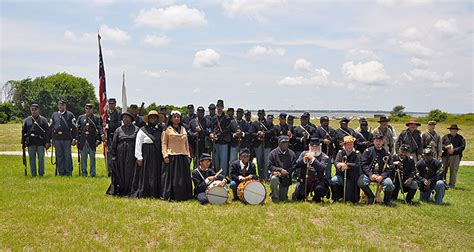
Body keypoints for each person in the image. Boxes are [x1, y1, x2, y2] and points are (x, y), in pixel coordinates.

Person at [130, 110, 164, 198]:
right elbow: (138, 143)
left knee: (155, 174)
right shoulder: (142, 130)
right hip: (146, 155)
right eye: (151, 117)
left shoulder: (159, 130)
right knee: (145, 174)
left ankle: (154, 193)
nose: (153, 119)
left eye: (155, 117)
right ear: (148, 119)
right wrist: (139, 156)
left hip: (156, 155)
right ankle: (144, 192)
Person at [161, 111, 193, 201]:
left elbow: (186, 143)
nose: (176, 119)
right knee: (173, 179)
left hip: (183, 156)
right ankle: (173, 196)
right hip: (172, 156)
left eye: (178, 117)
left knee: (183, 178)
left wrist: (188, 154)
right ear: (171, 118)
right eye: (174, 117)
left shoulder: (183, 129)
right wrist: (165, 155)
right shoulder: (167, 130)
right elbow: (164, 144)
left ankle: (184, 195)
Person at [106, 112, 139, 196]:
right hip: (120, 153)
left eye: (127, 117)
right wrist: (113, 155)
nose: (125, 119)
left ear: (131, 119)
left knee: (130, 171)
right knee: (121, 171)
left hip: (132, 154)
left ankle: (130, 189)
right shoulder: (118, 130)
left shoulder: (137, 129)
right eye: (124, 118)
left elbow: (138, 143)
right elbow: (114, 143)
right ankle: (121, 189)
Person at [358, 133, 395, 206]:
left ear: (382, 142)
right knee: (361, 182)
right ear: (374, 141)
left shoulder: (386, 153)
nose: (378, 142)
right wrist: (370, 175)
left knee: (389, 184)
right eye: (376, 141)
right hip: (369, 174)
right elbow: (364, 164)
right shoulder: (368, 151)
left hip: (381, 175)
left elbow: (390, 167)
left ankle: (386, 201)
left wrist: (382, 176)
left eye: (380, 141)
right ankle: (371, 197)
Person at [292, 138, 329, 202]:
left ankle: (316, 197)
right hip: (304, 180)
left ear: (320, 147)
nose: (314, 148)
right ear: (309, 147)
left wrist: (312, 159)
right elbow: (296, 165)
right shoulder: (304, 153)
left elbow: (321, 168)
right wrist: (304, 160)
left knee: (320, 190)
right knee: (298, 197)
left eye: (316, 147)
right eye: (312, 147)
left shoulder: (324, 156)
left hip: (317, 181)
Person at [21, 104, 51, 177]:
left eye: (35, 109)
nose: (34, 111)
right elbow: (23, 132)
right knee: (32, 159)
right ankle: (33, 174)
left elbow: (47, 132)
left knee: (41, 159)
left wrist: (47, 142)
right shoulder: (26, 120)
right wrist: (23, 142)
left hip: (40, 142)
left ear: (38, 110)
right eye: (32, 110)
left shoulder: (43, 120)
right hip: (30, 142)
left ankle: (41, 174)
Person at [330, 136, 361, 203]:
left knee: (350, 199)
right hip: (341, 176)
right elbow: (336, 161)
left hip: (352, 178)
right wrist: (338, 164)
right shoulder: (340, 152)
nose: (350, 146)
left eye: (351, 144)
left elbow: (357, 165)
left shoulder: (357, 153)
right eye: (348, 145)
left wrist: (347, 165)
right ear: (344, 145)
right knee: (333, 180)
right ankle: (336, 198)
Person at [50, 100, 77, 176]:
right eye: (59, 105)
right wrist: (51, 139)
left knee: (67, 156)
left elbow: (74, 127)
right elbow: (51, 127)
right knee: (59, 156)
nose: (60, 106)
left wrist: (74, 138)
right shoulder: (54, 115)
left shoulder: (70, 115)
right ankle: (61, 172)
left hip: (67, 138)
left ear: (65, 106)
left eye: (62, 105)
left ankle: (68, 172)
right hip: (57, 139)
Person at [76, 104, 103, 177]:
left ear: (92, 110)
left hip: (92, 140)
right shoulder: (81, 117)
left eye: (90, 109)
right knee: (83, 158)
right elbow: (77, 129)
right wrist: (77, 139)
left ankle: (92, 173)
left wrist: (98, 139)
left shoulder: (96, 118)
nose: (88, 110)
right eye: (87, 109)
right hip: (83, 140)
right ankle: (84, 173)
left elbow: (99, 128)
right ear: (85, 109)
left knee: (92, 158)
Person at [268, 136, 296, 202]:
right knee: (274, 179)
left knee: (283, 198)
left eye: (286, 142)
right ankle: (274, 198)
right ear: (279, 143)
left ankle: (277, 194)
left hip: (286, 176)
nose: (285, 144)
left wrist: (286, 172)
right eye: (282, 143)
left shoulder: (292, 154)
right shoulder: (272, 153)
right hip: (276, 174)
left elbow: (294, 166)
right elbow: (270, 166)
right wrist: (280, 170)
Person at [249, 109, 274, 180]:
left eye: (262, 114)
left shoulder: (268, 123)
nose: (261, 115)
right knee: (259, 161)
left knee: (266, 161)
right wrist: (257, 134)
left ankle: (266, 176)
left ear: (264, 114)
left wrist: (264, 134)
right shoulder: (255, 123)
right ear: (258, 115)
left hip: (267, 145)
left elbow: (273, 131)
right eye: (259, 114)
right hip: (258, 145)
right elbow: (251, 133)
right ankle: (260, 176)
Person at [209, 100, 232, 176]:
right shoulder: (214, 118)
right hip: (216, 142)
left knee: (223, 161)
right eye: (218, 106)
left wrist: (217, 136)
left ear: (223, 107)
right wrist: (211, 134)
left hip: (223, 142)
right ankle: (218, 175)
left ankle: (223, 176)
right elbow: (212, 128)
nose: (219, 108)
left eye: (220, 106)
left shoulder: (227, 118)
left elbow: (227, 130)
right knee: (216, 161)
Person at [441, 124, 466, 188]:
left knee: (453, 170)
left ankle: (452, 184)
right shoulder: (445, 137)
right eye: (452, 129)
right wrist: (446, 147)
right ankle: (442, 183)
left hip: (455, 156)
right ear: (450, 130)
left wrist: (454, 150)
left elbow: (462, 146)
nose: (453, 131)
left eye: (454, 130)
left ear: (457, 130)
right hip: (445, 155)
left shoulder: (461, 138)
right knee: (443, 170)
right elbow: (440, 144)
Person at [105, 98, 121, 176]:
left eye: (113, 104)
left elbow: (119, 124)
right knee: (108, 153)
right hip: (107, 136)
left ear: (115, 104)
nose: (111, 105)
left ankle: (115, 170)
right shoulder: (106, 113)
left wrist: (109, 126)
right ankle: (109, 170)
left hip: (115, 135)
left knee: (115, 154)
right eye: (110, 104)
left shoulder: (118, 113)